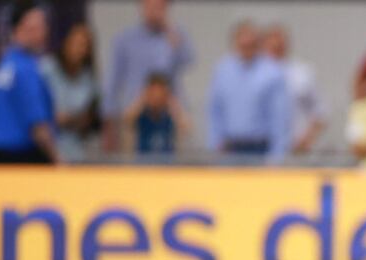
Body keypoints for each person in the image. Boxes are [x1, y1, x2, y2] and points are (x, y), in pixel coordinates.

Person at [102, 0, 194, 152]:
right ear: (142, 6)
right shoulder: (125, 39)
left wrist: (172, 34)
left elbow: (188, 60)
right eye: (150, 6)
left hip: (168, 110)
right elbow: (113, 81)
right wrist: (108, 119)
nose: (154, 11)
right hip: (135, 112)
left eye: (159, 6)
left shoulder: (175, 35)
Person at [207, 20, 291, 164]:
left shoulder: (272, 72)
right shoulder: (223, 70)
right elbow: (215, 111)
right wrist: (214, 146)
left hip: (260, 148)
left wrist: (277, 156)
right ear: (235, 43)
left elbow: (280, 118)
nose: (246, 46)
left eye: (251, 43)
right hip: (230, 148)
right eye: (242, 43)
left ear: (258, 44)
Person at [0, 1, 57, 164]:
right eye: (34, 28)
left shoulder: (5, 64)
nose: (42, 33)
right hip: (23, 157)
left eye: (43, 27)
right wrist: (58, 160)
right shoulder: (26, 68)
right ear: (17, 29)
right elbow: (38, 126)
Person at [263, 24, 328, 154]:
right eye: (272, 46)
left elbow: (321, 112)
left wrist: (306, 140)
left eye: (280, 45)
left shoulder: (302, 73)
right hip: (261, 150)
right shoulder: (255, 76)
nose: (277, 48)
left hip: (297, 150)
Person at [42, 23, 98, 163]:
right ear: (65, 43)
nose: (78, 49)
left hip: (76, 151)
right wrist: (65, 118)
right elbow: (43, 115)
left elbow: (88, 118)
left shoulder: (89, 80)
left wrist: (71, 119)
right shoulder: (46, 69)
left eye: (83, 45)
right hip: (45, 149)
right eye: (75, 43)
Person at [123, 73, 189, 156]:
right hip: (142, 162)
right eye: (153, 93)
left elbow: (186, 128)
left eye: (160, 93)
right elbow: (126, 120)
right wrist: (142, 100)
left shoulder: (170, 114)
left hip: (167, 163)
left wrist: (172, 104)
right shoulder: (141, 113)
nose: (156, 98)